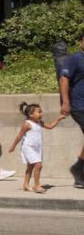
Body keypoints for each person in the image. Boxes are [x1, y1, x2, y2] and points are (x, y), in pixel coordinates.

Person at [8, 102, 65, 193]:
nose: (41, 114)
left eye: (41, 111)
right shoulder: (27, 124)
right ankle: (37, 185)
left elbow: (50, 126)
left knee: (30, 167)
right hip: (28, 148)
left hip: (37, 148)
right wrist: (13, 146)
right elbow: (19, 136)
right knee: (38, 165)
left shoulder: (39, 123)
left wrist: (59, 119)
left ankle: (26, 185)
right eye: (39, 112)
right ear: (31, 114)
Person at [58, 33, 84, 188]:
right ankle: (78, 169)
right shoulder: (74, 59)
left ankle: (78, 169)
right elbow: (64, 79)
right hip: (79, 105)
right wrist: (66, 102)